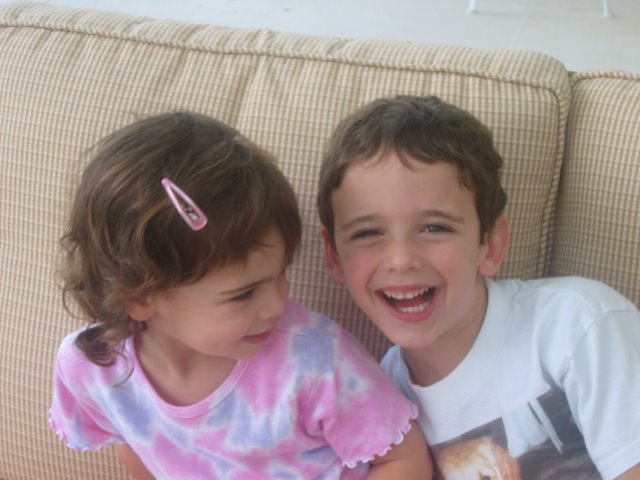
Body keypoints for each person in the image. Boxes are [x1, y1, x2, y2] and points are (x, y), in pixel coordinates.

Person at [49, 111, 432, 479]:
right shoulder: (94, 367)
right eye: (243, 294)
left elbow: (404, 459)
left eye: (281, 274)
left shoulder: (316, 359)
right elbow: (131, 440)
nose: (276, 305)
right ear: (139, 297)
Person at [318, 95, 640, 479]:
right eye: (368, 233)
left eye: (434, 227)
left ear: (491, 244)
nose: (401, 259)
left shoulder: (578, 325)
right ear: (333, 256)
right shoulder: (375, 394)